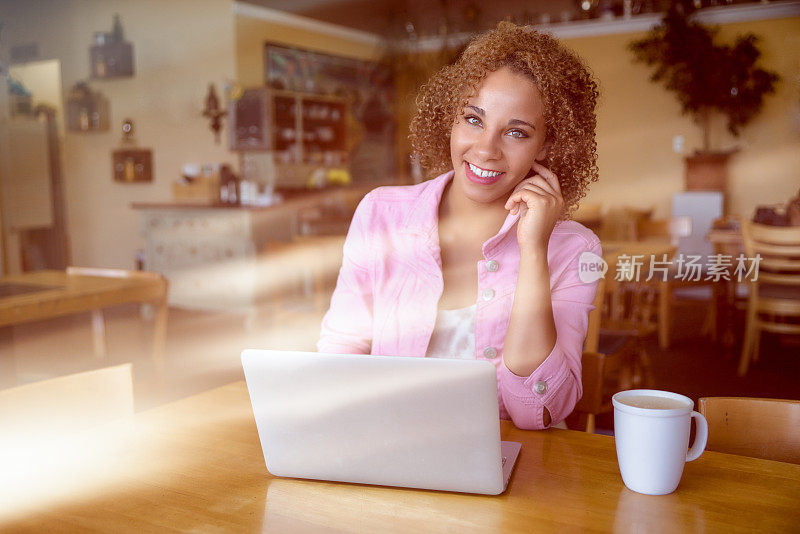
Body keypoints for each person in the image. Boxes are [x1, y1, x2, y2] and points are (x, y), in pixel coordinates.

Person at [318, 22, 601, 430]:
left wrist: (533, 250)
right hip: (387, 454)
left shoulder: (575, 250)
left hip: (511, 470)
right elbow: (342, 350)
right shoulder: (380, 215)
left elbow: (537, 413)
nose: (486, 149)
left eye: (516, 132)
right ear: (449, 119)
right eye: (473, 120)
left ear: (548, 146)